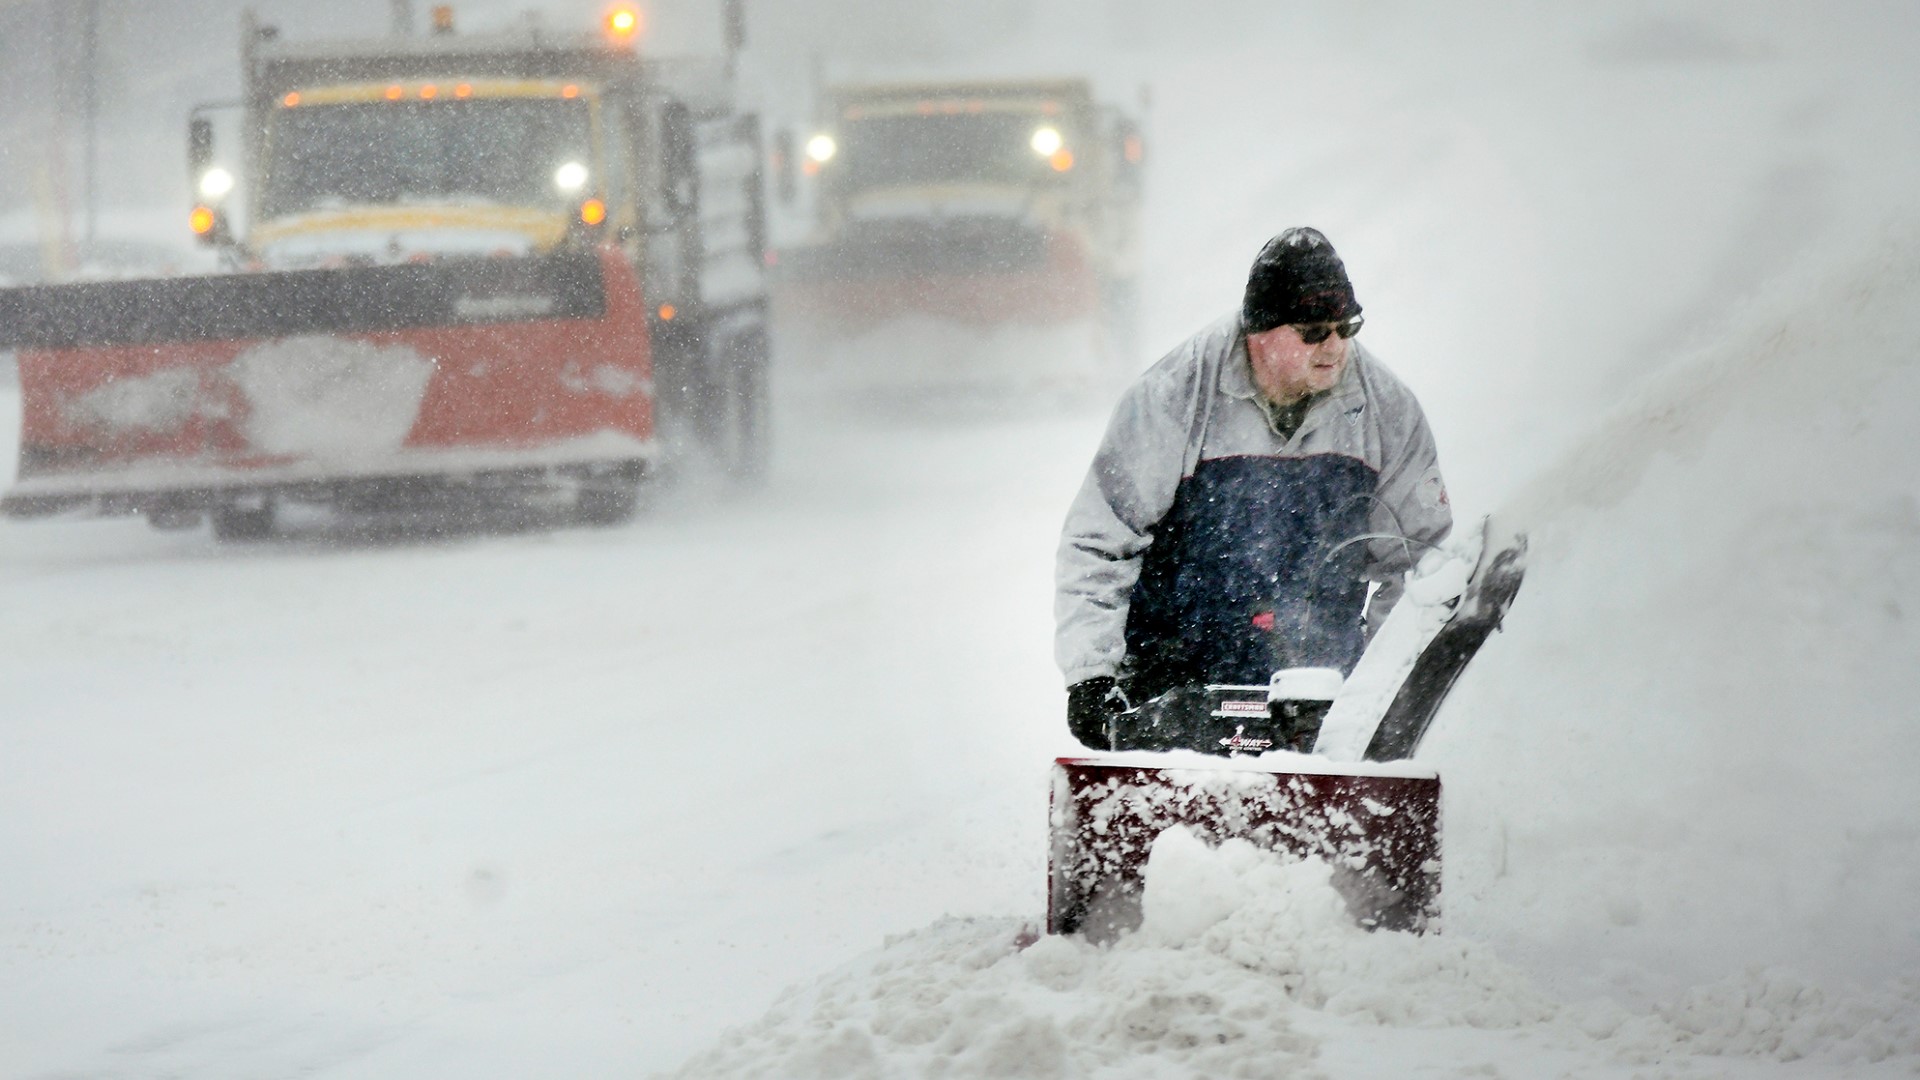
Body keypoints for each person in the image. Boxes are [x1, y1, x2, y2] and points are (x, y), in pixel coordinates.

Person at [1055, 227, 1452, 750]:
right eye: (1313, 331)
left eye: (1346, 325)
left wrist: (1381, 692)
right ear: (1260, 332)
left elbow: (1418, 563)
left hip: (1316, 691)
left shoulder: (1388, 412)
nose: (1335, 345)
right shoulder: (1172, 398)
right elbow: (1101, 541)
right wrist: (1091, 675)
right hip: (1174, 686)